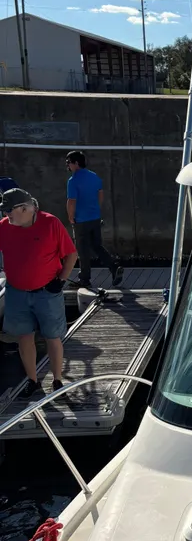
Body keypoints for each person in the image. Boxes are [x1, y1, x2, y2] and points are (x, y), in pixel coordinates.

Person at [0, 188, 78, 399]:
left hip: (47, 292)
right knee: (24, 337)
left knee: (52, 336)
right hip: (16, 293)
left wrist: (61, 281)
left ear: (24, 209)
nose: (6, 215)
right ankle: (33, 381)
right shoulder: (3, 227)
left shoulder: (51, 223)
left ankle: (57, 380)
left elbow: (71, 254)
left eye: (9, 210)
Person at [65, 150, 123, 289]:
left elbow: (71, 201)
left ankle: (85, 279)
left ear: (76, 163)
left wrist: (71, 217)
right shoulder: (94, 176)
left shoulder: (73, 180)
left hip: (81, 220)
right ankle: (114, 267)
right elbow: (100, 195)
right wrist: (95, 209)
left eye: (69, 163)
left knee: (83, 250)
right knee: (97, 245)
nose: (68, 166)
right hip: (95, 217)